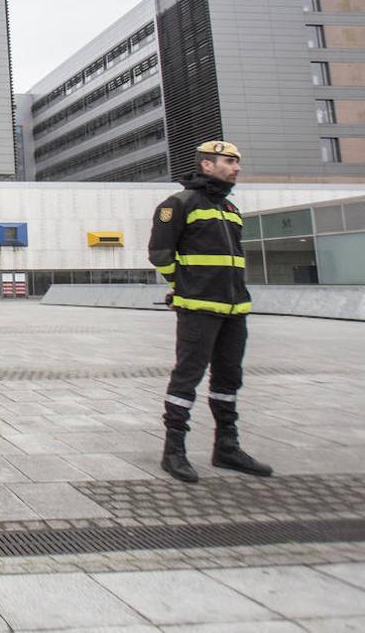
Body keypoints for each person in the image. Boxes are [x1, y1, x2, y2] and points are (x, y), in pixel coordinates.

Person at [147, 140, 273, 484]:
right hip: (198, 308)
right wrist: (183, 284)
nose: (236, 167)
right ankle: (174, 450)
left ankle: (227, 446)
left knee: (229, 379)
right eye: (229, 161)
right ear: (207, 165)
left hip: (235, 308)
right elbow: (159, 254)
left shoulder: (230, 210)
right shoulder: (179, 204)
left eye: (237, 161)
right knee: (187, 376)